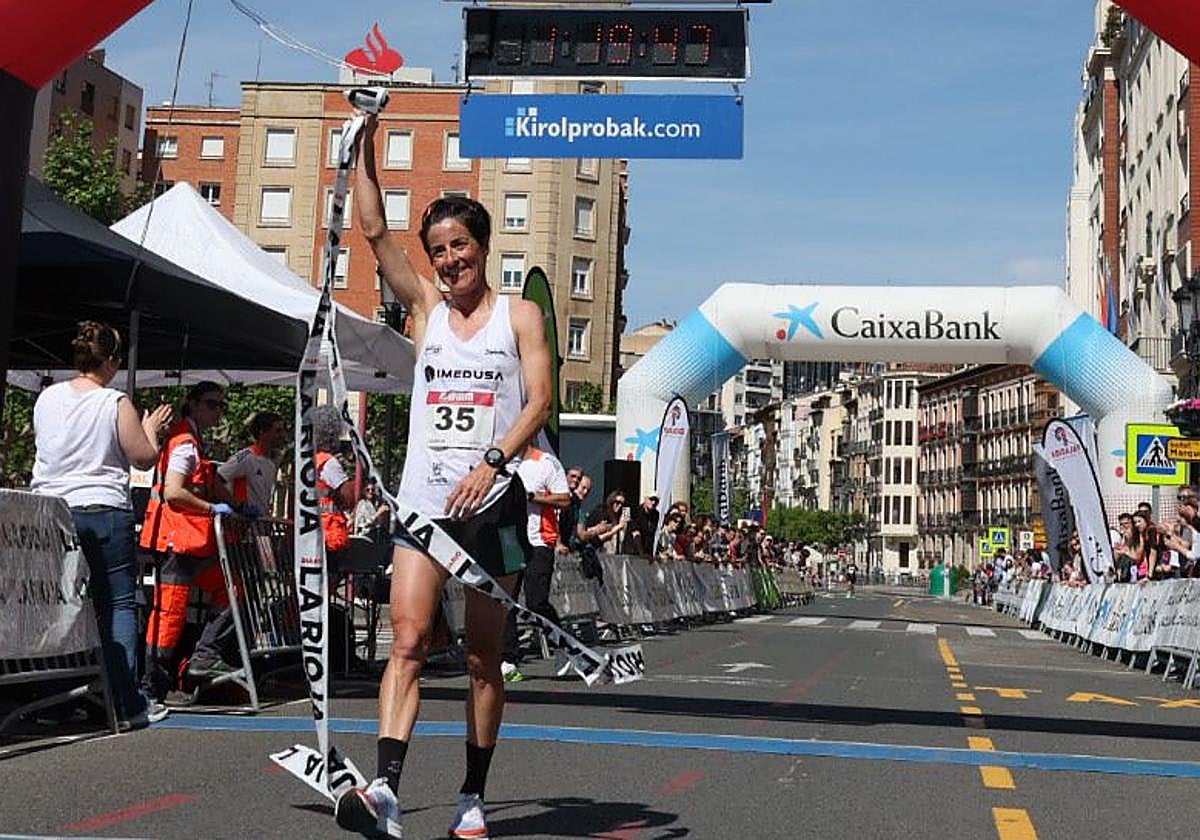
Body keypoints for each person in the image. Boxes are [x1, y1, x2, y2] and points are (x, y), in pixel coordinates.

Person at [335, 115, 553, 840]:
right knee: (407, 640)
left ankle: (471, 796)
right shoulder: (425, 308)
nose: (451, 259)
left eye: (460, 246)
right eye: (439, 250)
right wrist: (365, 141)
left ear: (483, 246)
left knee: (484, 661)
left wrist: (494, 460)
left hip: (490, 508)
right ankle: (385, 792)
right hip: (425, 505)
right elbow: (371, 231)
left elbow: (542, 401)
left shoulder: (519, 317)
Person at [30, 321, 173, 731]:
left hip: (53, 510)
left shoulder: (48, 398)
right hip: (103, 508)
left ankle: (55, 697)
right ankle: (125, 701)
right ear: (111, 361)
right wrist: (151, 430)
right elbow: (143, 457)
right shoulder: (114, 401)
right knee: (117, 605)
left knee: (60, 605)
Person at [141, 381, 240, 703]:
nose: (218, 411)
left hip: (191, 541)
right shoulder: (185, 441)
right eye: (212, 404)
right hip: (178, 540)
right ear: (194, 404)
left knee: (231, 589)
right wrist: (213, 508)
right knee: (169, 616)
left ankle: (201, 658)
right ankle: (151, 687)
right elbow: (174, 491)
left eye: (221, 406)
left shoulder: (191, 439)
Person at [500, 445, 571, 682]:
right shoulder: (502, 461)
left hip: (539, 540)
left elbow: (564, 499)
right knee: (506, 600)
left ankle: (562, 645)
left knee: (536, 602)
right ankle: (508, 659)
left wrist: (532, 497)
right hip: (510, 539)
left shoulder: (547, 463)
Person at [218, 411, 286, 517]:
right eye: (277, 431)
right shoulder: (246, 457)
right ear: (262, 432)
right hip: (242, 527)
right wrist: (238, 506)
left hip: (260, 526)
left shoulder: (273, 461)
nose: (282, 435)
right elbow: (217, 480)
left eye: (283, 430)